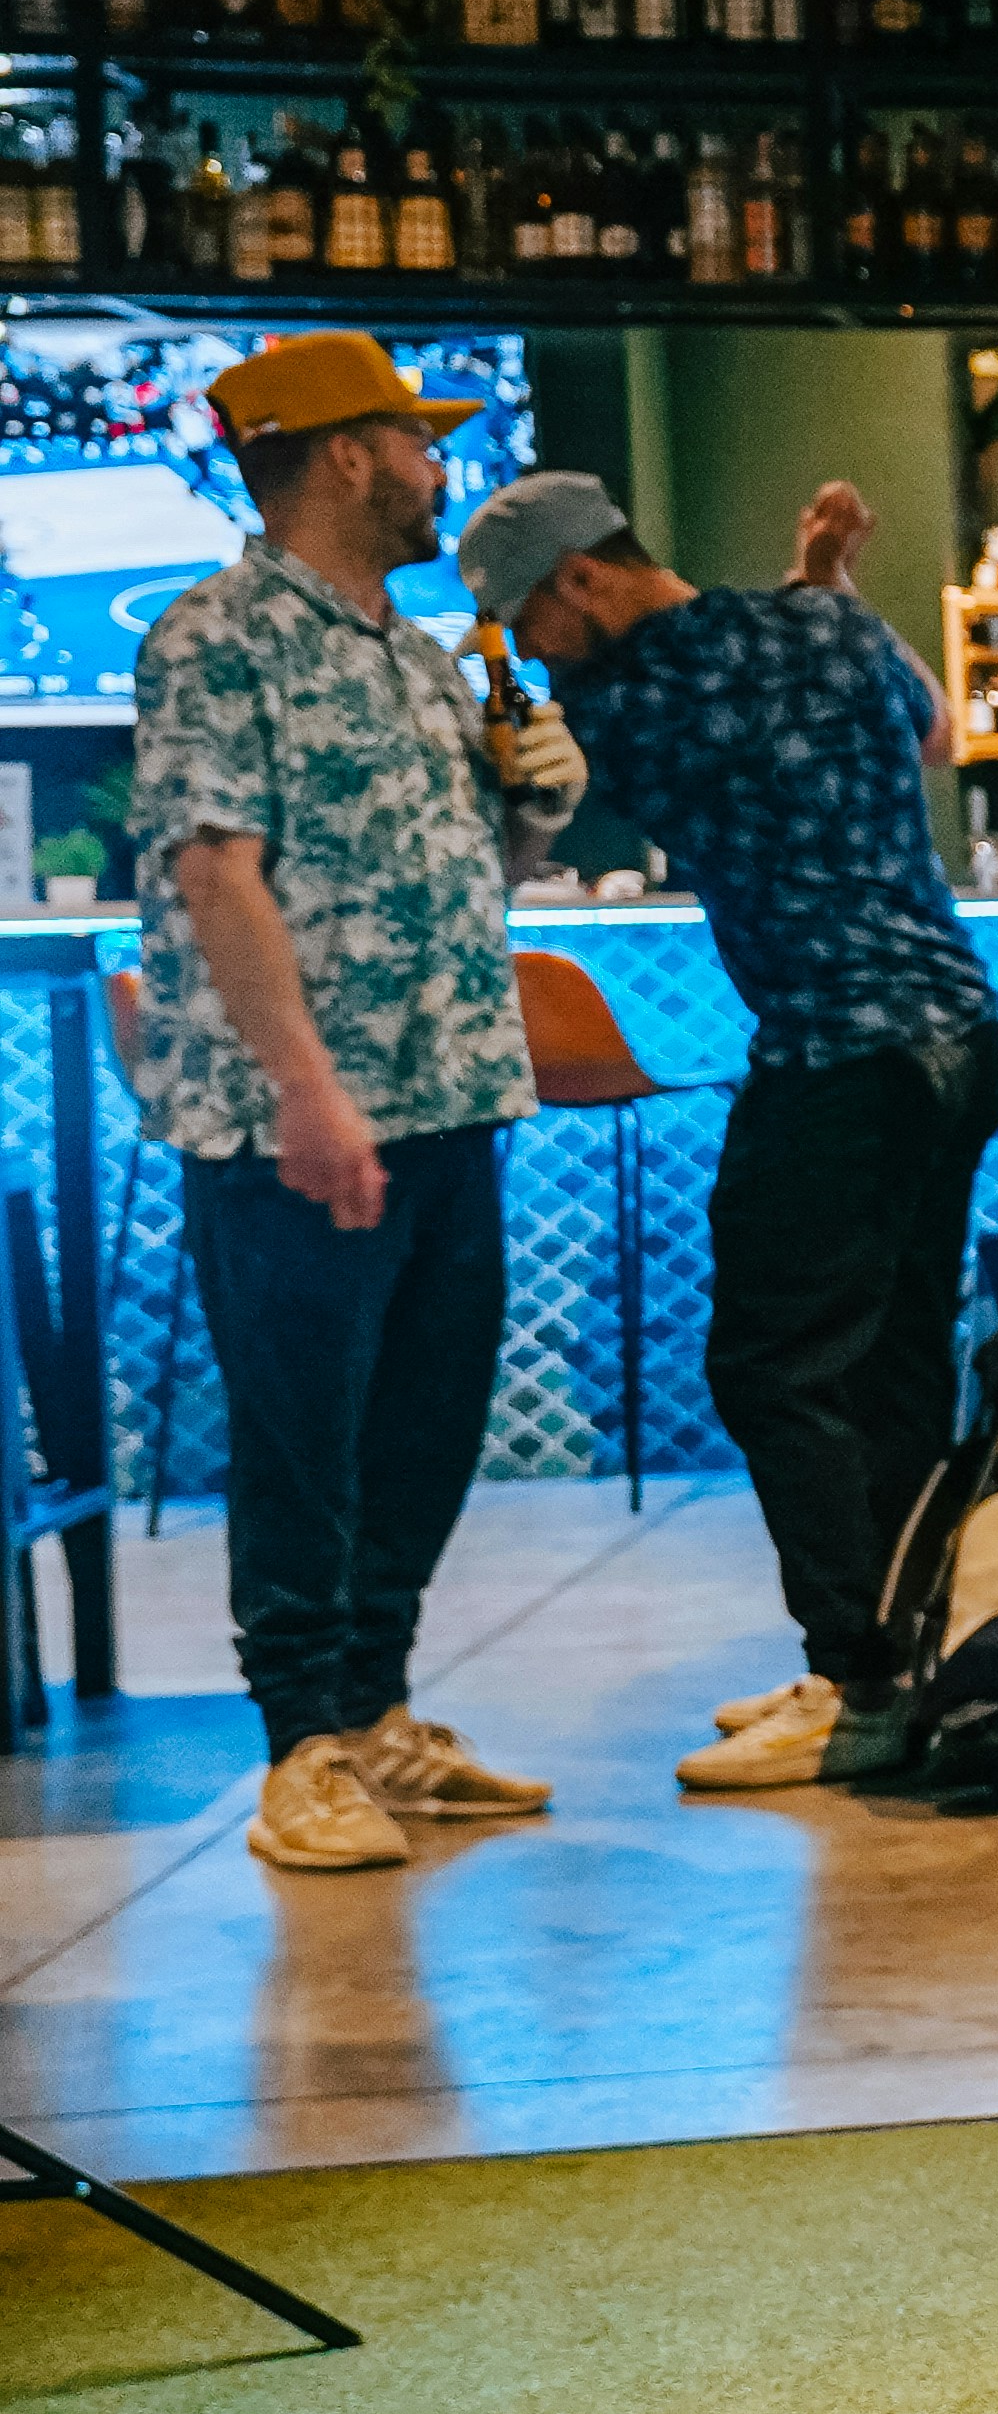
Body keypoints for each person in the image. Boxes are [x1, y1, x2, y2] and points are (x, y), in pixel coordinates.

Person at [457, 467, 998, 1797]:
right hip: (963, 1040)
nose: (524, 647)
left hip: (836, 1054)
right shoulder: (827, 626)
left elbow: (512, 826)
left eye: (527, 616)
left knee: (773, 1368)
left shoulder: (623, 704)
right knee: (895, 1369)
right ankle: (897, 1654)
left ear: (583, 577)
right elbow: (934, 732)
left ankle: (861, 1681)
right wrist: (825, 578)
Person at [135, 333, 577, 1875]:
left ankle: (377, 1712)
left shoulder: (417, 653)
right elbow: (213, 867)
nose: (436, 465)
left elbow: (470, 881)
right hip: (297, 1124)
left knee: (425, 1423)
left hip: (454, 1095)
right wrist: (306, 1091)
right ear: (340, 454)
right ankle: (302, 1749)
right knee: (301, 1434)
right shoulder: (218, 635)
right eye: (413, 437)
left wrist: (528, 799)